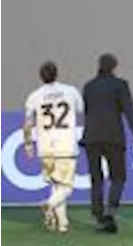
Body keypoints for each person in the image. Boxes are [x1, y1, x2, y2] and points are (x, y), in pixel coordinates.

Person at [80, 53, 133, 233]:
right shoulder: (120, 85)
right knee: (118, 177)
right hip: (113, 137)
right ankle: (110, 211)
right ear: (115, 67)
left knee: (96, 179)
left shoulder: (88, 86)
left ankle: (99, 216)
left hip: (91, 137)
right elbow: (128, 111)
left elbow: (87, 110)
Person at [23, 61, 84, 234]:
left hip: (45, 146)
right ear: (57, 74)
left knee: (56, 185)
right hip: (65, 144)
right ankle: (49, 204)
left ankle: (63, 224)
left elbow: (28, 124)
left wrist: (28, 144)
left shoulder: (35, 96)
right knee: (66, 187)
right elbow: (80, 109)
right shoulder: (70, 91)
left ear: (41, 77)